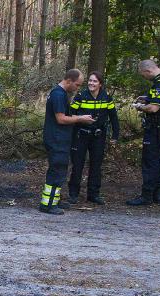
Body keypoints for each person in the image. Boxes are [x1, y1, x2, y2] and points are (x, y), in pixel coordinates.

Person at [39, 69, 96, 215]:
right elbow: (61, 118)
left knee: (60, 170)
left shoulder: (61, 93)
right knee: (57, 170)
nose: (78, 88)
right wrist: (80, 118)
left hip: (60, 139)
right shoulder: (58, 94)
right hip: (56, 139)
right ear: (69, 81)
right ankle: (48, 205)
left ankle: (54, 200)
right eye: (77, 85)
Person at [126, 59, 160, 206]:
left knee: (149, 161)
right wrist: (147, 98)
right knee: (158, 160)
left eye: (143, 75)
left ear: (148, 71)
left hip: (155, 126)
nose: (144, 77)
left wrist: (139, 106)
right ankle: (157, 195)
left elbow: (153, 108)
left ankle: (146, 196)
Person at [67, 71, 120, 205]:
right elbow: (70, 114)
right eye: (90, 80)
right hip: (81, 135)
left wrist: (115, 135)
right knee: (77, 165)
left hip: (98, 136)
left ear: (100, 84)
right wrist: (80, 120)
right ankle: (73, 194)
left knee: (96, 165)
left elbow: (113, 117)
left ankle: (93, 194)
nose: (91, 83)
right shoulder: (81, 96)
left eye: (95, 81)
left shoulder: (106, 97)